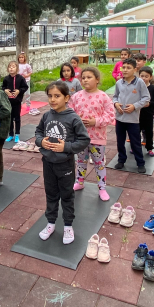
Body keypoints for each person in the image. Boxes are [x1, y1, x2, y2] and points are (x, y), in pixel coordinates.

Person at [35, 81, 90, 245]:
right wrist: (41, 142)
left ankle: (68, 225)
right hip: (48, 163)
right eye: (50, 96)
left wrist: (65, 147)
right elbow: (38, 132)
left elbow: (84, 140)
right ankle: (50, 223)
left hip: (65, 165)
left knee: (66, 195)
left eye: (57, 96)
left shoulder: (73, 118)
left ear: (66, 98)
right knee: (51, 194)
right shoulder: (46, 115)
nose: (52, 99)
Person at [71, 67, 115, 201]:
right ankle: (79, 182)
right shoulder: (76, 96)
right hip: (80, 138)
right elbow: (70, 113)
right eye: (83, 77)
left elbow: (111, 116)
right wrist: (77, 122)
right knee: (80, 161)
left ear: (97, 79)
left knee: (99, 163)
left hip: (97, 138)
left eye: (89, 77)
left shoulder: (103, 97)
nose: (85, 80)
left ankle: (102, 188)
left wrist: (95, 121)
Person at [112, 58, 150, 174]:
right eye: (123, 67)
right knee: (120, 141)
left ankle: (140, 163)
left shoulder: (139, 83)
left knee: (135, 142)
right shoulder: (119, 83)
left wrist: (134, 106)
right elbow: (115, 96)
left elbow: (146, 98)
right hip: (120, 118)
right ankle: (121, 160)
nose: (125, 70)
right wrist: (116, 103)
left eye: (128, 68)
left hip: (133, 120)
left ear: (135, 69)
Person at [2, 61, 29, 143]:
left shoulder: (21, 78)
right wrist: (5, 90)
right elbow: (3, 87)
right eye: (10, 67)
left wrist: (19, 91)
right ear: (7, 69)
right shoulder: (6, 79)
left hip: (17, 101)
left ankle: (17, 134)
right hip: (8, 102)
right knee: (9, 118)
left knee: (17, 118)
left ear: (17, 69)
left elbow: (25, 87)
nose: (11, 68)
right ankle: (10, 134)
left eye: (13, 67)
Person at [138, 66, 154, 156]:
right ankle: (135, 146)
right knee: (136, 132)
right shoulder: (136, 88)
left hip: (148, 115)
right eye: (142, 76)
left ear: (150, 77)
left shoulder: (152, 88)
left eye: (146, 76)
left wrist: (150, 104)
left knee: (148, 132)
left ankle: (149, 148)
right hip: (137, 115)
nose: (143, 78)